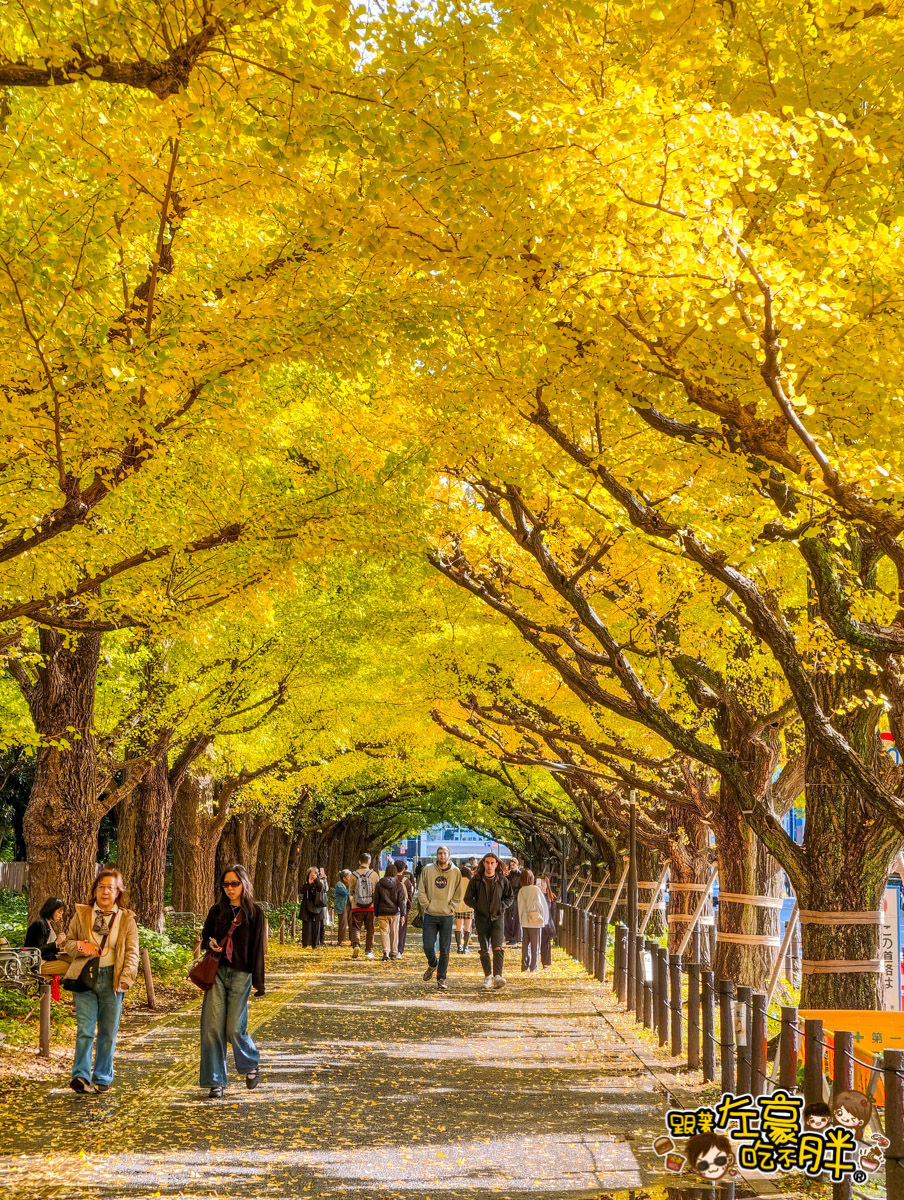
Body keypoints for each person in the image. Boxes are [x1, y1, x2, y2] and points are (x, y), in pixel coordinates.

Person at [62, 867, 139, 1094]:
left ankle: (103, 1076)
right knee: (85, 1029)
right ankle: (81, 1076)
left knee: (108, 1032)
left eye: (111, 888)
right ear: (95, 889)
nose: (105, 892)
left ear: (118, 892)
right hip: (85, 977)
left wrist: (127, 979)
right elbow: (68, 943)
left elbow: (133, 953)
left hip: (112, 980)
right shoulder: (82, 914)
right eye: (101, 887)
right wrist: (78, 947)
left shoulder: (126, 919)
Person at [199, 863, 266, 1099]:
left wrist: (259, 981)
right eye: (226, 884)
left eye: (234, 883)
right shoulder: (216, 911)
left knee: (233, 1028)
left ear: (244, 884)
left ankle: (251, 1063)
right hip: (217, 972)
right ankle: (215, 1081)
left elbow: (258, 948)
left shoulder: (255, 913)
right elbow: (206, 935)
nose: (230, 888)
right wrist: (210, 943)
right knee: (211, 1028)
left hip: (241, 973)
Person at [464, 852, 513, 990]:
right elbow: (467, 898)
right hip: (482, 919)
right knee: (484, 948)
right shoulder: (476, 880)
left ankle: (498, 976)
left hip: (498, 918)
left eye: (492, 863)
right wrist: (478, 906)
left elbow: (510, 897)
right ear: (483, 864)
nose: (490, 865)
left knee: (497, 947)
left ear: (496, 864)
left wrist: (501, 906)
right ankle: (488, 976)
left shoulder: (502, 880)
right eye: (487, 862)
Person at [417, 845, 463, 992]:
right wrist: (427, 906)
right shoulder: (428, 870)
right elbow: (421, 889)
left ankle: (441, 978)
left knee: (445, 949)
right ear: (436, 855)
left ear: (449, 855)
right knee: (428, 945)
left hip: (446, 915)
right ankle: (432, 963)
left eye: (445, 853)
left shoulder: (456, 872)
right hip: (430, 914)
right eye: (440, 853)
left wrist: (451, 907)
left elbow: (458, 893)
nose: (442, 856)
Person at [349, 852, 380, 960]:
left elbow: (351, 891)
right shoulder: (374, 875)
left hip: (356, 906)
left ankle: (356, 944)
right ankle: (369, 951)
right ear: (369, 862)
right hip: (370, 906)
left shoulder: (353, 875)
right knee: (370, 929)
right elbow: (377, 891)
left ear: (359, 861)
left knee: (356, 927)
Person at [517, 869, 549, 972]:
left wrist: (521, 919)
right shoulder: (535, 889)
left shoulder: (521, 890)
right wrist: (544, 918)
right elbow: (542, 905)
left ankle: (524, 965)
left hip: (525, 920)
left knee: (525, 944)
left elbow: (520, 906)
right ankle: (534, 966)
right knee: (535, 945)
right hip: (535, 920)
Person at [375, 862, 407, 960]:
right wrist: (403, 913)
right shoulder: (398, 884)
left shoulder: (379, 884)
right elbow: (401, 900)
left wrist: (375, 912)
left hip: (382, 912)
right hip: (394, 913)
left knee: (384, 932)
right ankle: (394, 952)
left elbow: (376, 899)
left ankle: (386, 951)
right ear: (395, 872)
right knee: (394, 932)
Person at [25, 896, 66, 963]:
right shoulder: (40, 924)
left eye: (61, 914)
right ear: (52, 909)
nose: (60, 916)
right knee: (69, 966)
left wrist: (59, 950)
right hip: (37, 963)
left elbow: (46, 948)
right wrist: (56, 943)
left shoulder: (48, 924)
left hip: (44, 959)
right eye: (59, 912)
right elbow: (38, 949)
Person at [300, 866, 326, 948]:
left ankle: (315, 944)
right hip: (307, 907)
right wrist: (309, 883)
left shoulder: (320, 882)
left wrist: (316, 880)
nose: (313, 875)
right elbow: (302, 891)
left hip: (317, 906)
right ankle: (305, 943)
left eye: (315, 873)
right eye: (311, 873)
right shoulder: (306, 882)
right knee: (306, 926)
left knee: (316, 926)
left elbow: (321, 889)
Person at [537, 875, 558, 969]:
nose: (541, 885)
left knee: (545, 943)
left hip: (546, 924)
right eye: (539, 883)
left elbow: (553, 912)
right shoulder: (535, 895)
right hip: (536, 922)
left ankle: (545, 962)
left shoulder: (551, 897)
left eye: (543, 883)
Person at [454, 865, 474, 954]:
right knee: (467, 928)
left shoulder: (456, 881)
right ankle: (466, 947)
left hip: (458, 906)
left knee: (458, 927)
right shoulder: (470, 881)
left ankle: (459, 947)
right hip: (469, 906)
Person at [395, 861, 413, 956]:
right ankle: (399, 950)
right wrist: (407, 910)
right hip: (403, 908)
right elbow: (410, 896)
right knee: (402, 929)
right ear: (404, 869)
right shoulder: (406, 881)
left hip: (390, 908)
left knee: (391, 929)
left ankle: (390, 948)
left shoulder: (388, 879)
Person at [504, 856, 523, 946]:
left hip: (516, 898)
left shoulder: (520, 875)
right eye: (511, 865)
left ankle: (516, 937)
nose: (512, 866)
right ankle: (509, 937)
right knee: (507, 918)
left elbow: (520, 887)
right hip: (508, 898)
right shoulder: (508, 875)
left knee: (516, 919)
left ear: (517, 865)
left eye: (513, 864)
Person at [334, 870, 352, 946]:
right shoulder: (339, 885)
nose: (350, 878)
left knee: (352, 923)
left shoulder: (349, 884)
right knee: (343, 923)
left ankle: (353, 940)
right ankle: (340, 940)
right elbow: (345, 892)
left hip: (350, 906)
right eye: (349, 876)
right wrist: (351, 889)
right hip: (342, 906)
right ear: (344, 878)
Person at [317, 867, 330, 945]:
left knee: (323, 922)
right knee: (318, 922)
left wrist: (325, 880)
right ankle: (317, 939)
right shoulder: (315, 882)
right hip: (317, 904)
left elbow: (326, 889)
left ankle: (322, 939)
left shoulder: (323, 881)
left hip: (323, 903)